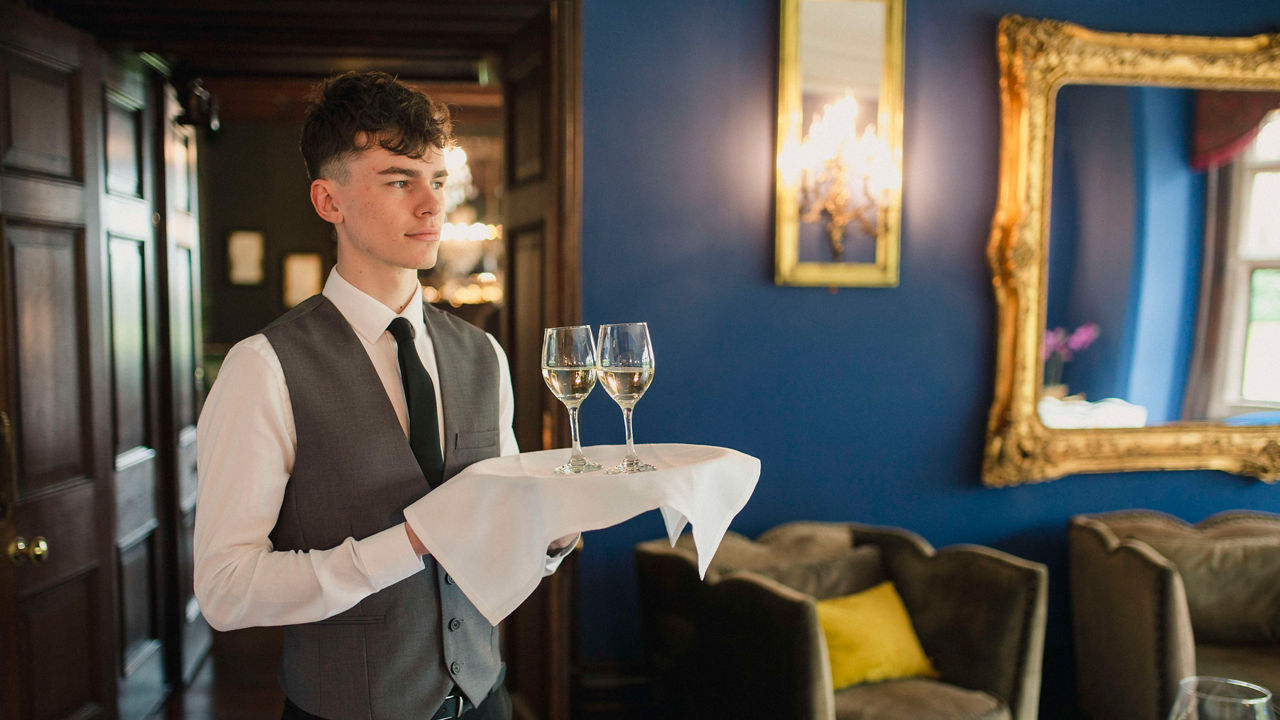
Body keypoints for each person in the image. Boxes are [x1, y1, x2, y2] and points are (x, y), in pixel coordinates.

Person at [194, 71, 576, 720]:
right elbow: (227, 592)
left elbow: (501, 537)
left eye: (438, 181)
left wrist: (548, 540)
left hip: (487, 702)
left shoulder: (483, 354)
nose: (432, 206)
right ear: (328, 201)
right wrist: (412, 542)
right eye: (400, 181)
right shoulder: (263, 366)